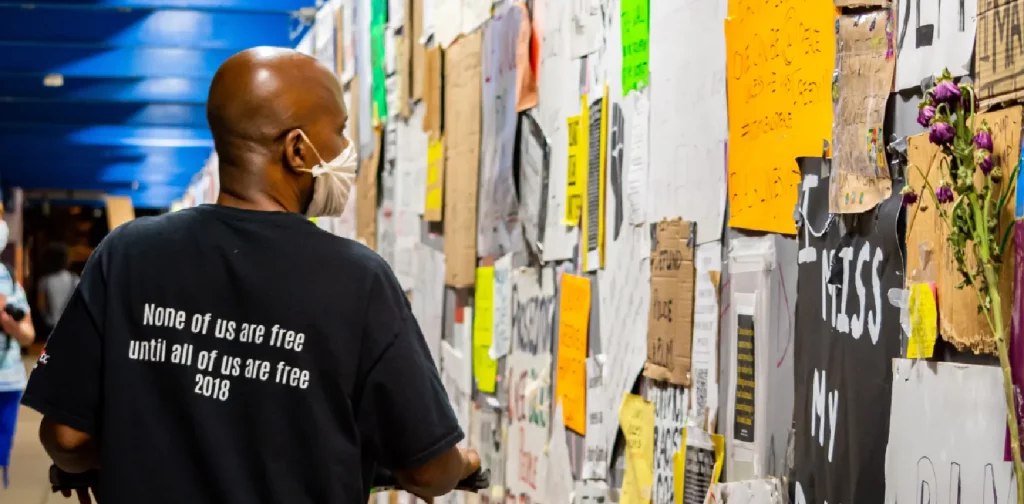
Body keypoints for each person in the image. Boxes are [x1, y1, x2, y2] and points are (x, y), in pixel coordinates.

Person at [22, 47, 479, 504]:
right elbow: (428, 470)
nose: (347, 149)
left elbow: (66, 440)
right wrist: (465, 464)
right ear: (297, 149)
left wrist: (116, 459)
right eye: (340, 131)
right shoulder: (358, 280)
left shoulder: (125, 254)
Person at [0, 201, 36, 488]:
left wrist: (7, 321)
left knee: (2, 448)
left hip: (9, 381)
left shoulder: (10, 280)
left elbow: (27, 335)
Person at [36, 243, 79, 341]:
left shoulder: (44, 281)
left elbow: (41, 305)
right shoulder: (74, 279)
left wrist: (47, 318)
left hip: (50, 325)